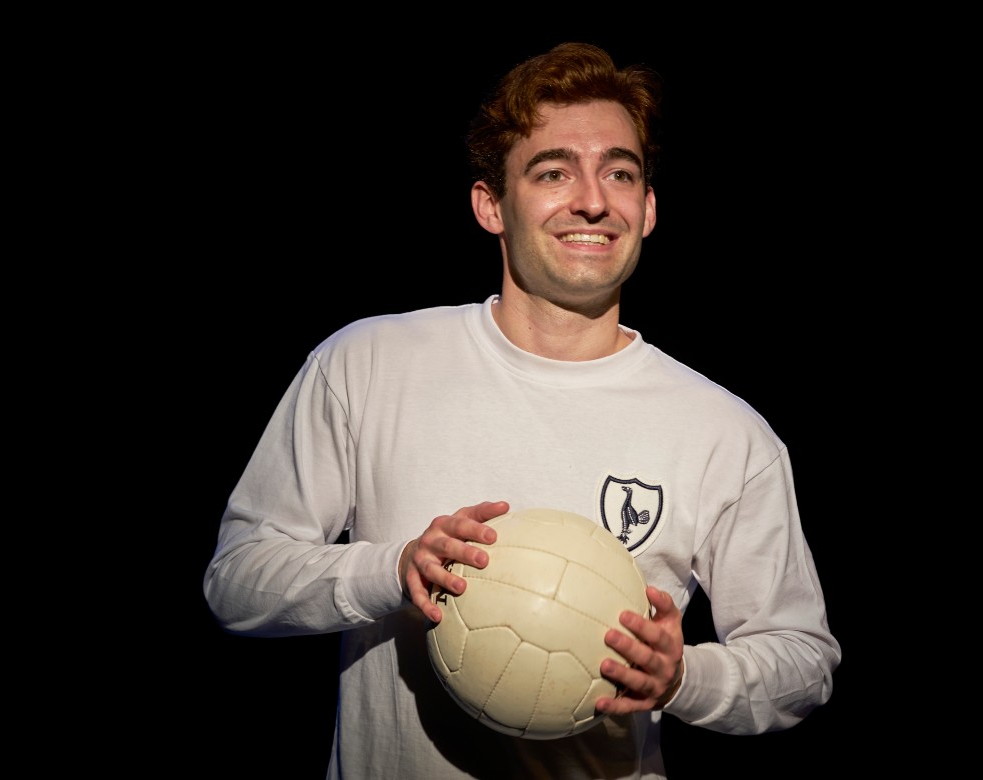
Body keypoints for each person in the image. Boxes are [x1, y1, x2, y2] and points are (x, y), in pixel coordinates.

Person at [203, 41, 840, 779]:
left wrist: (683, 677)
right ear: (490, 205)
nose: (594, 200)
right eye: (553, 171)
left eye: (620, 173)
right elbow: (237, 580)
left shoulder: (726, 433)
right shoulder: (368, 363)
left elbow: (803, 661)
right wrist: (392, 569)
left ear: (650, 207)